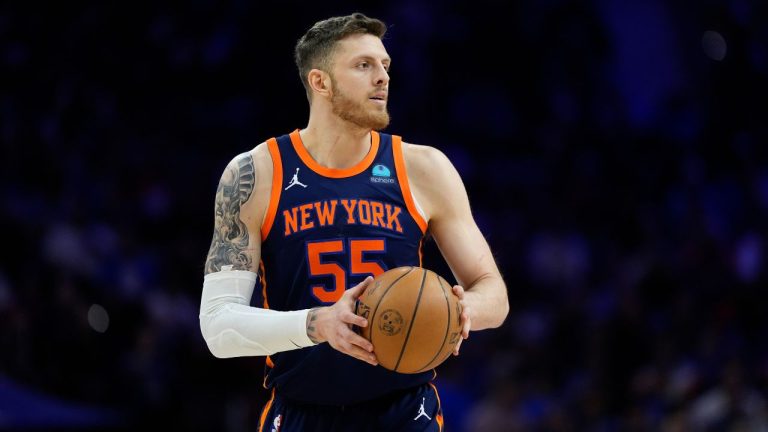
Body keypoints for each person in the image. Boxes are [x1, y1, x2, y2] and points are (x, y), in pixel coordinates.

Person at [199, 12, 509, 431]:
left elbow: (494, 294)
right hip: (301, 410)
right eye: (364, 65)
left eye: (385, 65)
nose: (382, 76)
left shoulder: (424, 168)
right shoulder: (255, 174)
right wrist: (318, 323)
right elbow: (218, 328)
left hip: (403, 410)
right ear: (320, 82)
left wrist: (458, 310)